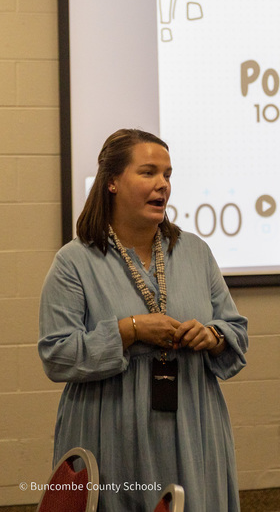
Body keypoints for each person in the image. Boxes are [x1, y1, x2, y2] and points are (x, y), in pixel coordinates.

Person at [38, 128, 248, 511]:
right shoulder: (75, 261)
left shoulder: (195, 252)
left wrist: (212, 335)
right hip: (111, 427)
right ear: (113, 182)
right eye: (148, 172)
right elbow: (56, 353)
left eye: (167, 175)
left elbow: (235, 330)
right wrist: (129, 331)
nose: (162, 185)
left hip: (193, 422)